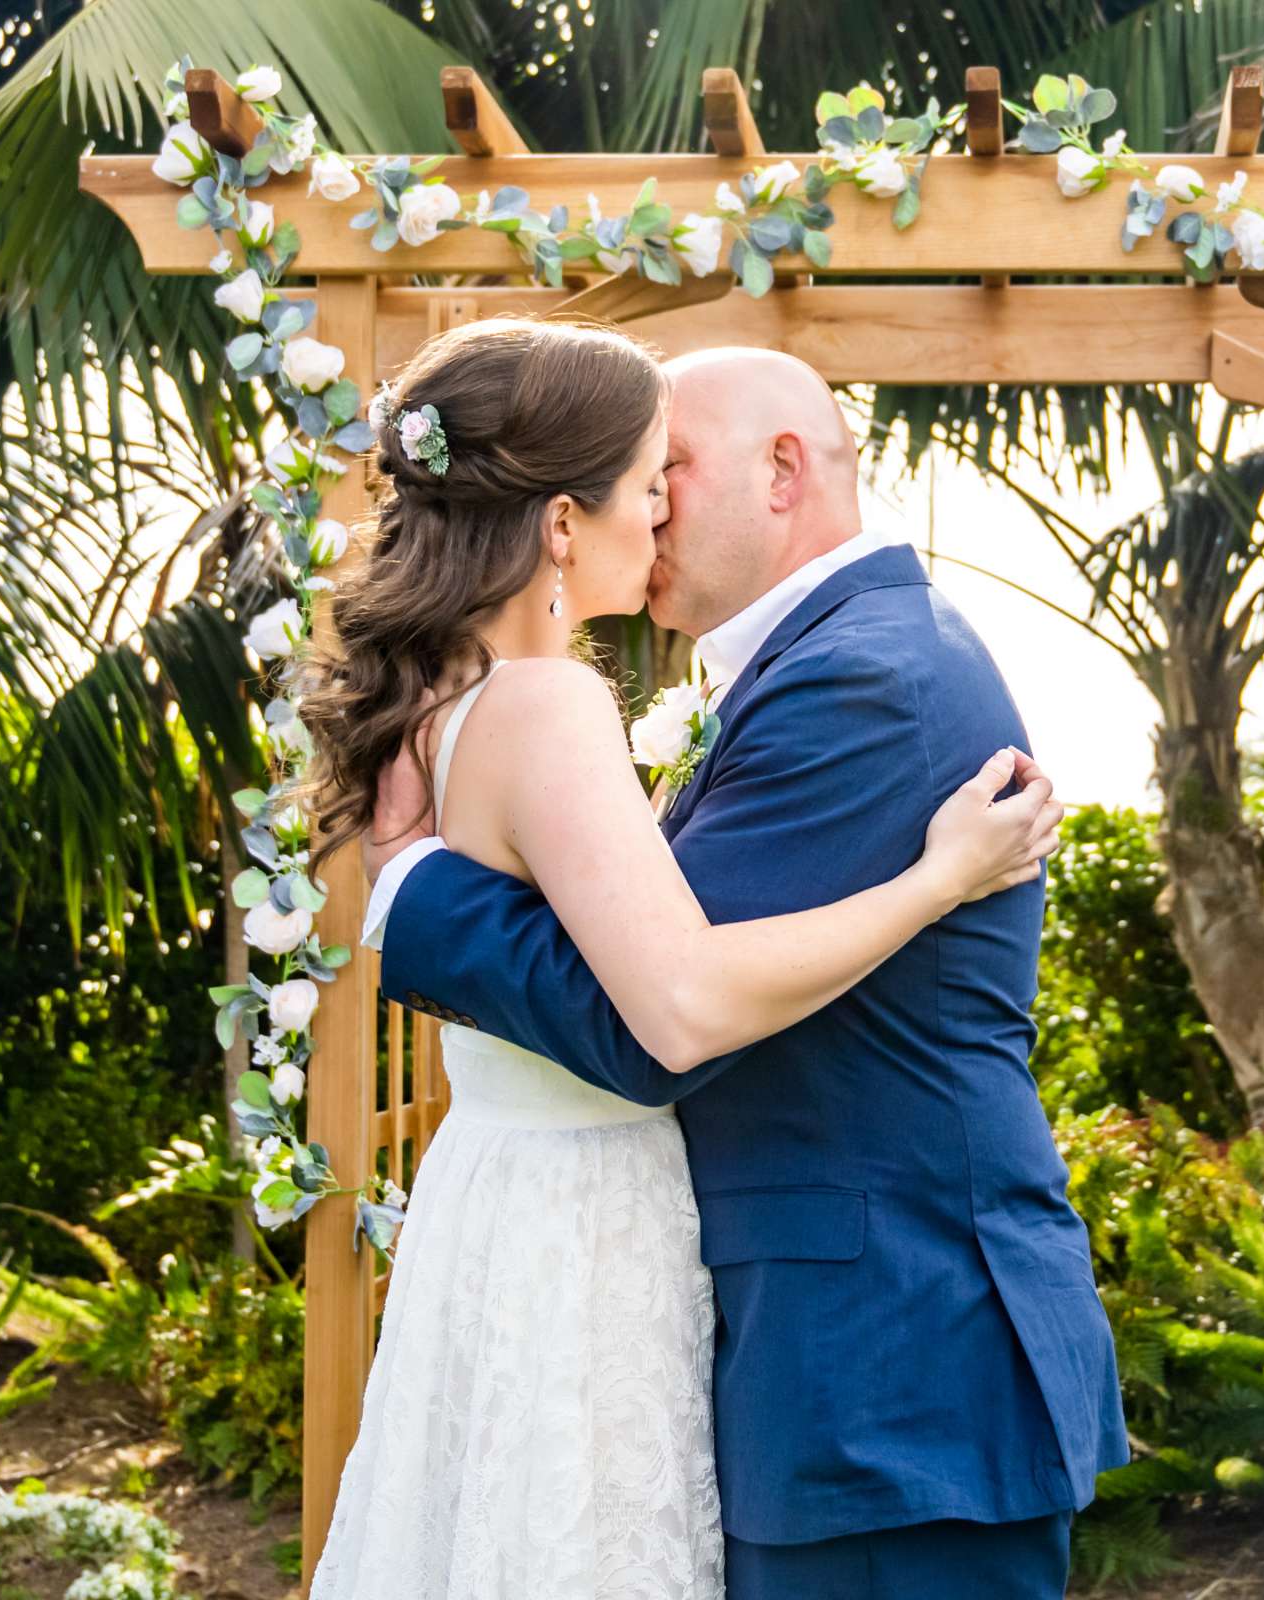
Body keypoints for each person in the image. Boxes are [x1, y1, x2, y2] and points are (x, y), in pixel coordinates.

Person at [296, 318, 1072, 1600]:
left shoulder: (865, 674)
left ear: (782, 472)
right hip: (721, 1325)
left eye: (678, 469)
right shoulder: (572, 698)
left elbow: (643, 1016)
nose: (653, 512)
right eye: (639, 477)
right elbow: (667, 999)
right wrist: (412, 892)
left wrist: (416, 894)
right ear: (560, 518)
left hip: (882, 1377)